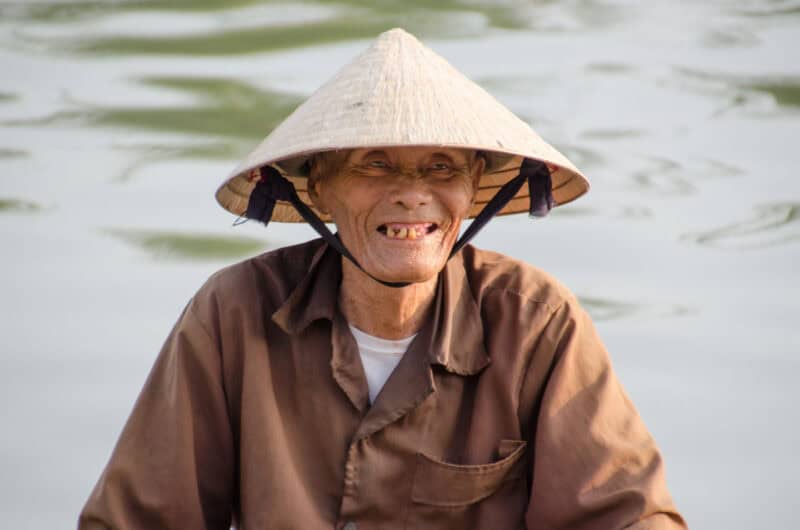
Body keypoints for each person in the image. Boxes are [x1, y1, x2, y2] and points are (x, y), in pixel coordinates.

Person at [78, 28, 687, 530]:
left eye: (441, 167)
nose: (413, 195)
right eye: (376, 164)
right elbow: (139, 520)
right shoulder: (233, 313)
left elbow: (628, 517)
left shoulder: (535, 322)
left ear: (472, 190)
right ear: (319, 187)